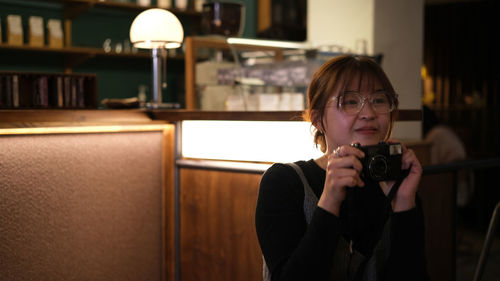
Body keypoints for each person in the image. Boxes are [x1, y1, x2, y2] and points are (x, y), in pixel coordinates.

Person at [255, 55, 429, 281]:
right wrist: (329, 201)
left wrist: (404, 204)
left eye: (378, 100)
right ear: (318, 119)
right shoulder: (284, 183)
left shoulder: (398, 186)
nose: (369, 114)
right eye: (350, 102)